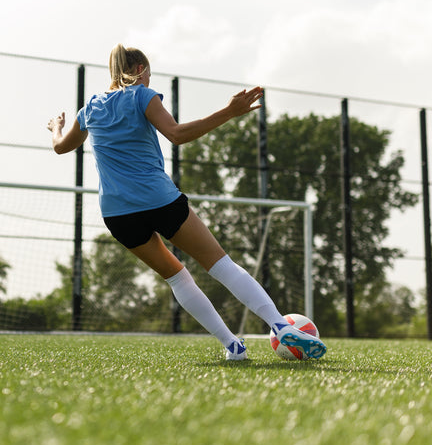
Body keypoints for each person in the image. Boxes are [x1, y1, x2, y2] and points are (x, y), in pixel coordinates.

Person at [48, 44, 326, 361]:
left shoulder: (90, 109)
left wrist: (56, 127)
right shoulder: (141, 95)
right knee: (221, 265)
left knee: (177, 277)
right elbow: (177, 134)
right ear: (140, 70)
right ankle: (279, 325)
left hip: (118, 214)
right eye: (149, 73)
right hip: (159, 200)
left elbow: (60, 147)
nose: (150, 80)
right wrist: (229, 112)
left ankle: (233, 347)